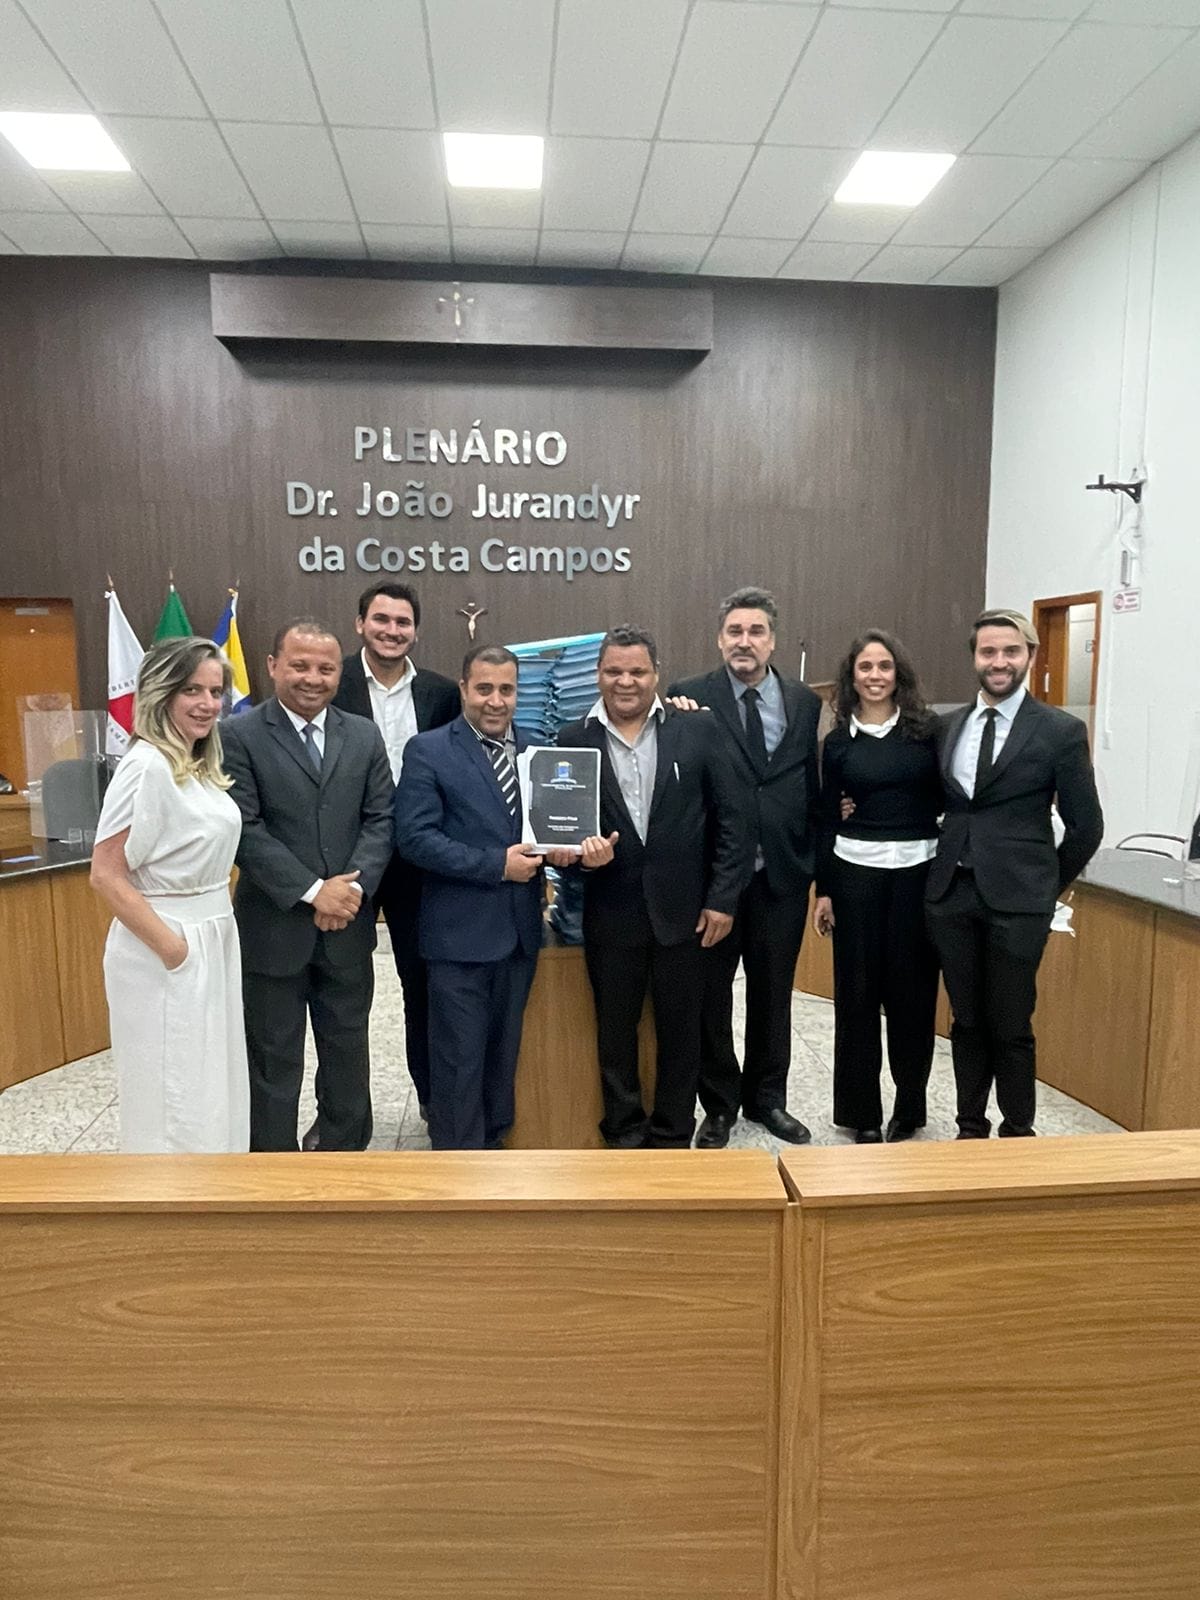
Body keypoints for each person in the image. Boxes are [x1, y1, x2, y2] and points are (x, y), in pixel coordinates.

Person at [559, 626, 750, 1149]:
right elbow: (563, 843)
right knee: (615, 1033)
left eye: (637, 672)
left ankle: (671, 1133)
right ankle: (623, 1132)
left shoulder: (697, 729)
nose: (625, 682)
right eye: (613, 671)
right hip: (611, 913)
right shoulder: (572, 740)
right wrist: (582, 859)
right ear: (597, 674)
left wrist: (722, 899)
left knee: (682, 1032)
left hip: (687, 915)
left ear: (656, 675)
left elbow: (734, 821)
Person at [926, 608, 1103, 1139]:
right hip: (952, 896)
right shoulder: (946, 727)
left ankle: (1018, 1131)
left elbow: (1086, 826)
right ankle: (970, 1126)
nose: (999, 661)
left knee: (1010, 1020)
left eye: (1010, 651)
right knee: (966, 1019)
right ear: (974, 659)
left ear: (1030, 656)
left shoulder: (1060, 731)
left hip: (1020, 903)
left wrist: (1045, 886)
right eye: (988, 652)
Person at [221, 619, 394, 1152]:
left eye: (326, 668)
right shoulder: (237, 735)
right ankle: (272, 1164)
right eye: (299, 665)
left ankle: (344, 1153)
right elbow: (243, 827)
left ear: (340, 673)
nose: (313, 678)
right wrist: (315, 891)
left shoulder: (362, 734)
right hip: (273, 929)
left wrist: (349, 892)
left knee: (347, 1051)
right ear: (273, 666)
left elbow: (381, 819)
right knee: (273, 1058)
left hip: (347, 927)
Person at [395, 645, 570, 1150]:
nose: (496, 701)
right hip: (458, 938)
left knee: (501, 1058)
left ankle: (493, 1151)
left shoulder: (538, 750)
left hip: (519, 936)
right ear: (463, 688)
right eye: (484, 689)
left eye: (507, 690)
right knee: (458, 1063)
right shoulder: (428, 750)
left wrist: (571, 849)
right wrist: (497, 865)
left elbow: (550, 830)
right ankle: (458, 1164)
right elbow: (416, 839)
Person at [667, 586, 822, 1148]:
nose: (744, 641)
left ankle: (768, 1098)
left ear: (772, 641)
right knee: (712, 996)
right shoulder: (688, 697)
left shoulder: (804, 701)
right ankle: (719, 1104)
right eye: (735, 631)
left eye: (756, 632)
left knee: (773, 993)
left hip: (782, 874)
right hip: (715, 879)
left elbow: (807, 781)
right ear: (719, 639)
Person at [90, 636, 249, 1153]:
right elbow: (106, 874)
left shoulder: (194, 764)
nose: (208, 704)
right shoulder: (147, 765)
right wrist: (175, 951)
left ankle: (213, 1192)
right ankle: (169, 1199)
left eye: (215, 692)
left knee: (210, 1091)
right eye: (191, 691)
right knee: (175, 1100)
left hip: (211, 937)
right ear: (162, 693)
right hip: (168, 946)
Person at [331, 581, 459, 1128]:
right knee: (342, 991)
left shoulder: (440, 693)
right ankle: (341, 1113)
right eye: (381, 620)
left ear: (416, 631)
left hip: (419, 863)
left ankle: (432, 1099)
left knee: (422, 984)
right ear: (360, 624)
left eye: (402, 622)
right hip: (347, 859)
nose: (391, 630)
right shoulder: (331, 682)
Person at [812, 630, 942, 1144]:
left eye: (884, 666)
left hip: (917, 875)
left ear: (898, 673)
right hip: (854, 876)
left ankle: (909, 1108)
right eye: (865, 667)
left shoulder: (928, 733)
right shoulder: (838, 743)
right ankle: (860, 1112)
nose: (874, 676)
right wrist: (824, 889)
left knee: (914, 998)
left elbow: (949, 796)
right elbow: (828, 816)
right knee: (857, 997)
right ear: (852, 675)